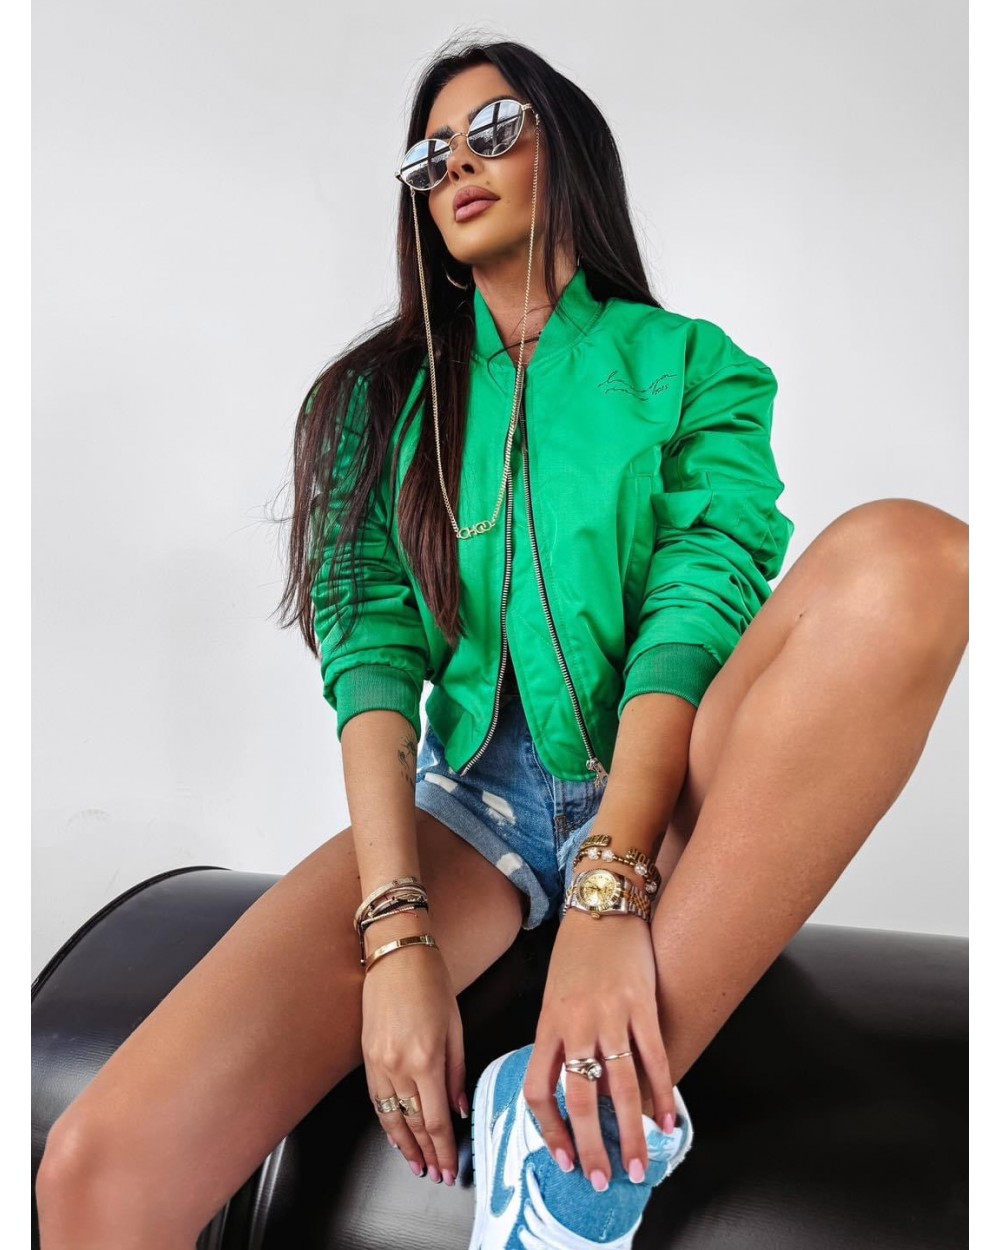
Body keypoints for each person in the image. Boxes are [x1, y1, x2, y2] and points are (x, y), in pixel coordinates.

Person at [34, 35, 969, 1250]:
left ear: (565, 150)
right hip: (473, 809)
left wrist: (609, 886)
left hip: (675, 771)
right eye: (429, 156)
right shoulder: (375, 402)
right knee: (96, 1165)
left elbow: (692, 617)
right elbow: (370, 655)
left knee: (913, 559)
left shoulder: (692, 368)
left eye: (491, 132)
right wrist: (396, 935)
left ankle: (569, 1156)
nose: (456, 167)